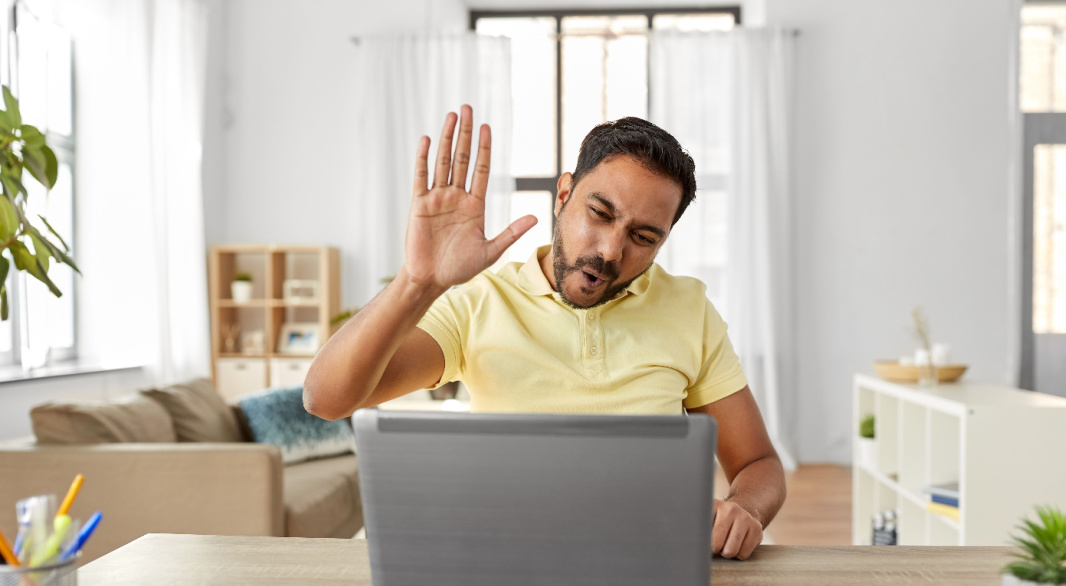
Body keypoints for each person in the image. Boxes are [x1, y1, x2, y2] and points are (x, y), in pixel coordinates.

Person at [304, 105, 786, 560]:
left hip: (648, 557)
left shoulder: (689, 309)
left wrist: (746, 509)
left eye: (643, 237)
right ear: (563, 195)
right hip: (506, 555)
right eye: (600, 213)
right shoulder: (480, 301)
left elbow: (758, 464)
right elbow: (326, 399)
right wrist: (417, 282)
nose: (611, 251)